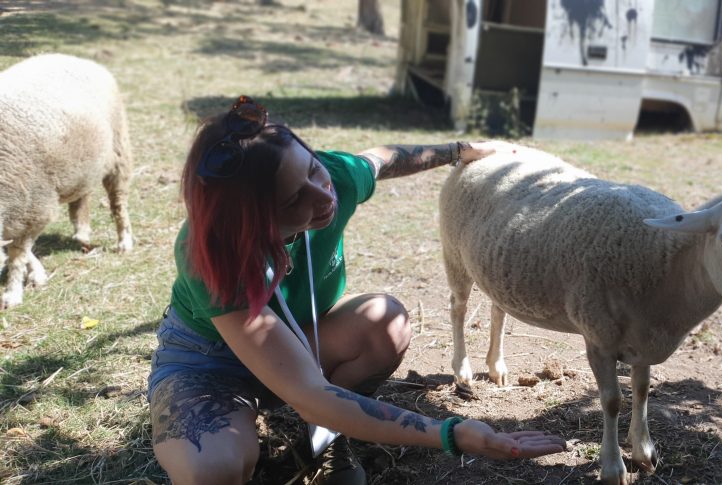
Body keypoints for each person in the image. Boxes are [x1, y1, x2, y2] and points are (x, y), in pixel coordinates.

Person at [148, 96, 565, 484]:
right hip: (210, 367)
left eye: (312, 168)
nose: (323, 194)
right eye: (295, 199)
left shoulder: (333, 179)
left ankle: (327, 439)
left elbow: (383, 159)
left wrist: (457, 149)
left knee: (388, 323)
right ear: (252, 220)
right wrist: (451, 433)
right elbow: (309, 392)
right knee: (212, 467)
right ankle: (290, 425)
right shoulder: (215, 254)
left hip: (301, 341)